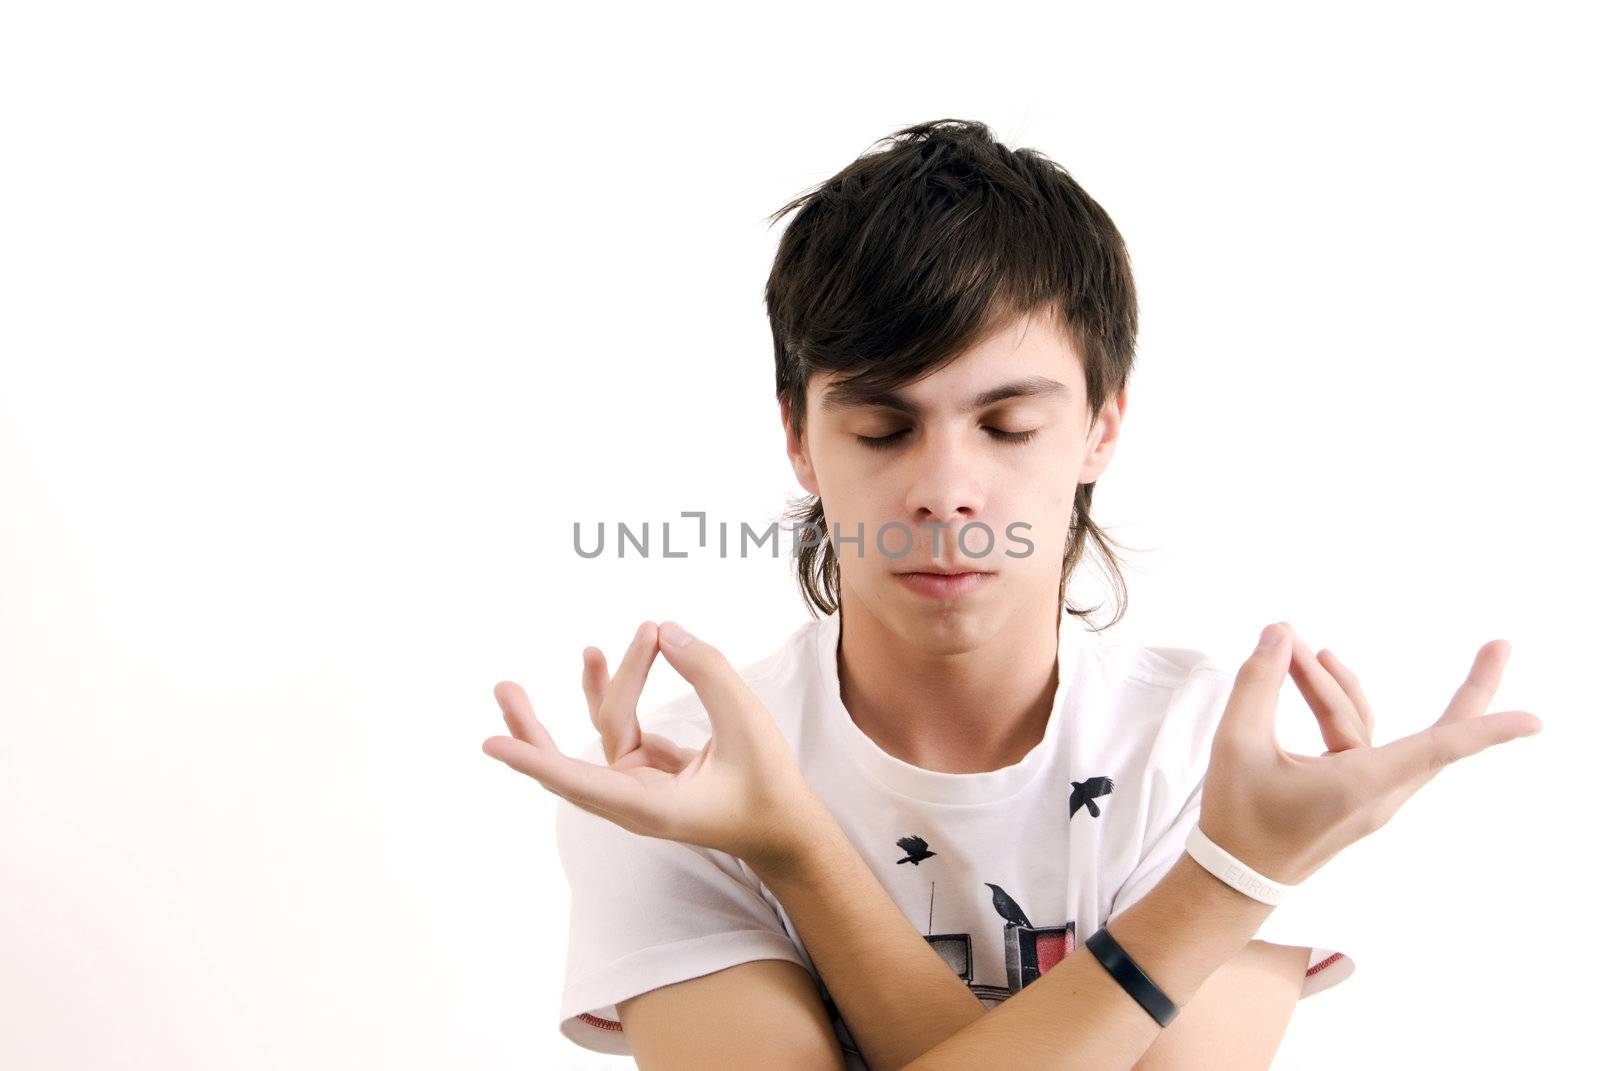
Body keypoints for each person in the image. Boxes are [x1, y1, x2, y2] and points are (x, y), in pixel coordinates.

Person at [481, 119, 1543, 1069]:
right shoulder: (668, 789)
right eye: (883, 429)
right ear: (799, 439)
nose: (945, 491)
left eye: (1007, 426)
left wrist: (1241, 854)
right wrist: (1226, 882)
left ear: (1100, 428)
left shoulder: (1218, 764)